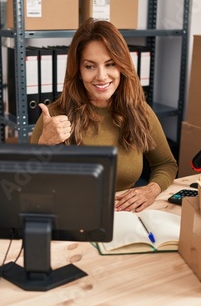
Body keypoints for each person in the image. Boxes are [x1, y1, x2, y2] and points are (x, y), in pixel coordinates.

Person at [30, 17, 178, 212]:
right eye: (90, 66)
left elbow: (166, 163)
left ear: (122, 66)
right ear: (78, 71)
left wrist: (151, 189)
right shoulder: (56, 116)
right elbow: (29, 181)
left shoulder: (139, 110)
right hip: (71, 213)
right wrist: (44, 145)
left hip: (124, 215)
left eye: (110, 64)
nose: (101, 76)